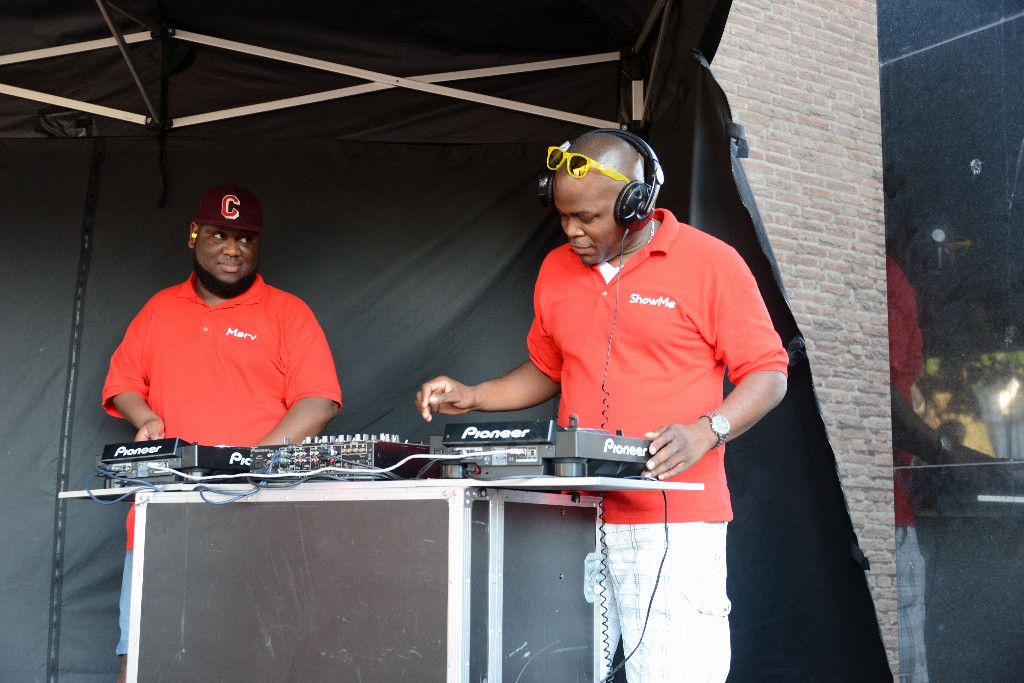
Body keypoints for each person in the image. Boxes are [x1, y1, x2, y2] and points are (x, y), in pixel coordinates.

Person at [415, 130, 788, 682]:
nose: (571, 231)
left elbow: (769, 373)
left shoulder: (711, 263)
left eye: (586, 218)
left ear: (635, 205)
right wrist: (474, 397)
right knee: (553, 668)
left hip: (670, 523)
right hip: (566, 516)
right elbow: (549, 368)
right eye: (562, 216)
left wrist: (707, 431)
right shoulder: (555, 270)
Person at [101, 184, 342, 682]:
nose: (233, 249)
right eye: (219, 234)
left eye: (245, 239)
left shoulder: (286, 312)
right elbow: (122, 382)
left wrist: (255, 460)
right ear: (194, 235)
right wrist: (143, 417)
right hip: (163, 513)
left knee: (256, 658)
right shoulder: (158, 309)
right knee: (144, 656)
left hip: (261, 513)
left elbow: (319, 399)